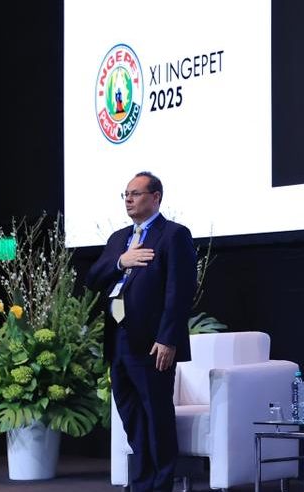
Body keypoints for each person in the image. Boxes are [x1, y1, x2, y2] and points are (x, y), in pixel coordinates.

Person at [87, 171, 196, 492]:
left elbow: (180, 290)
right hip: (118, 338)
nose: (128, 200)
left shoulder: (173, 235)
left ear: (156, 197)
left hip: (152, 342)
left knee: (156, 415)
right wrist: (121, 262)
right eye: (125, 195)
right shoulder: (118, 239)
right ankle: (142, 483)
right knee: (131, 415)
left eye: (135, 194)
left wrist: (167, 338)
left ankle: (161, 484)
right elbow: (93, 278)